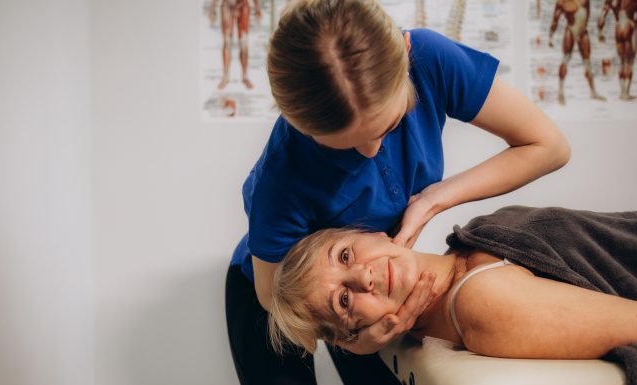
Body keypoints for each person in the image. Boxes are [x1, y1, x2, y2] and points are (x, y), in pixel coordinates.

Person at [225, 1, 570, 384]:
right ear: (299, 124)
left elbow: (548, 146)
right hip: (276, 297)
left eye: (387, 129)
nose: (371, 152)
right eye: (343, 146)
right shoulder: (283, 173)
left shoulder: (429, 58)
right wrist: (356, 341)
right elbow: (273, 297)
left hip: (366, 299)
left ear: (407, 55)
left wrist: (433, 199)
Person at [268, 206, 637, 384]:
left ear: (372, 234)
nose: (363, 277)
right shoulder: (481, 301)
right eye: (343, 301)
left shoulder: (469, 239)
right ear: (357, 333)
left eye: (346, 255)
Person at [548, 0, 606, 105]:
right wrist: (550, 36)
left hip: (583, 31)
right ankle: (560, 92)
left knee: (587, 62)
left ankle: (593, 92)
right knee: (565, 59)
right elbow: (555, 19)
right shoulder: (562, 2)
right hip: (570, 30)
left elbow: (588, 15)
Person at [208, 0, 262, 90]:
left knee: (243, 41)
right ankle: (226, 76)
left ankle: (245, 76)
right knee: (227, 41)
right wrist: (213, 6)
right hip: (227, 4)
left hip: (243, 4)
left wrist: (257, 7)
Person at [598, 0, 637, 101]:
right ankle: (626, 94)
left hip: (618, 27)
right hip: (629, 25)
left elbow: (602, 15)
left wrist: (600, 32)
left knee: (622, 62)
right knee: (629, 62)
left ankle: (622, 92)